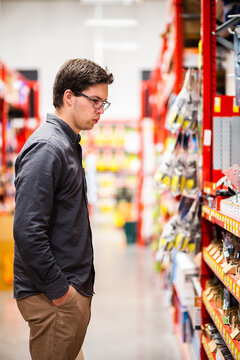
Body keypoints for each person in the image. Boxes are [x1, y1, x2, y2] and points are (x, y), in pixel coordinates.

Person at [13, 58, 114, 360]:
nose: (100, 111)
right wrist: (61, 292)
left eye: (104, 103)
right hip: (53, 296)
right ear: (69, 96)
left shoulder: (67, 144)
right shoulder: (48, 147)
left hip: (64, 292)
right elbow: (28, 230)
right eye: (95, 101)